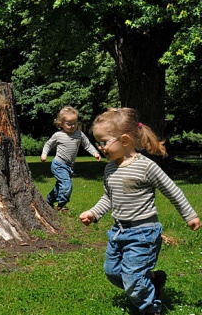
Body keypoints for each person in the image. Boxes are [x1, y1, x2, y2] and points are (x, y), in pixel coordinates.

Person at [79, 108, 200, 315]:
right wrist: (94, 213)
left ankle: (152, 309)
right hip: (118, 232)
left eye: (104, 142)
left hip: (143, 233)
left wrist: (190, 215)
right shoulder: (110, 168)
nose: (101, 148)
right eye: (98, 142)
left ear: (124, 140)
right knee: (112, 272)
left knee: (133, 281)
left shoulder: (146, 167)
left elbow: (172, 190)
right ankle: (153, 282)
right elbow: (108, 196)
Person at [41, 106, 101, 211]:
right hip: (58, 164)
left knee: (60, 186)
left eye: (75, 123)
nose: (72, 126)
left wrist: (95, 153)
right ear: (61, 124)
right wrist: (44, 154)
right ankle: (62, 205)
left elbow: (87, 145)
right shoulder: (58, 135)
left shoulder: (79, 134)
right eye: (69, 124)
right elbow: (48, 145)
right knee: (67, 184)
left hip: (70, 166)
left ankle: (49, 200)